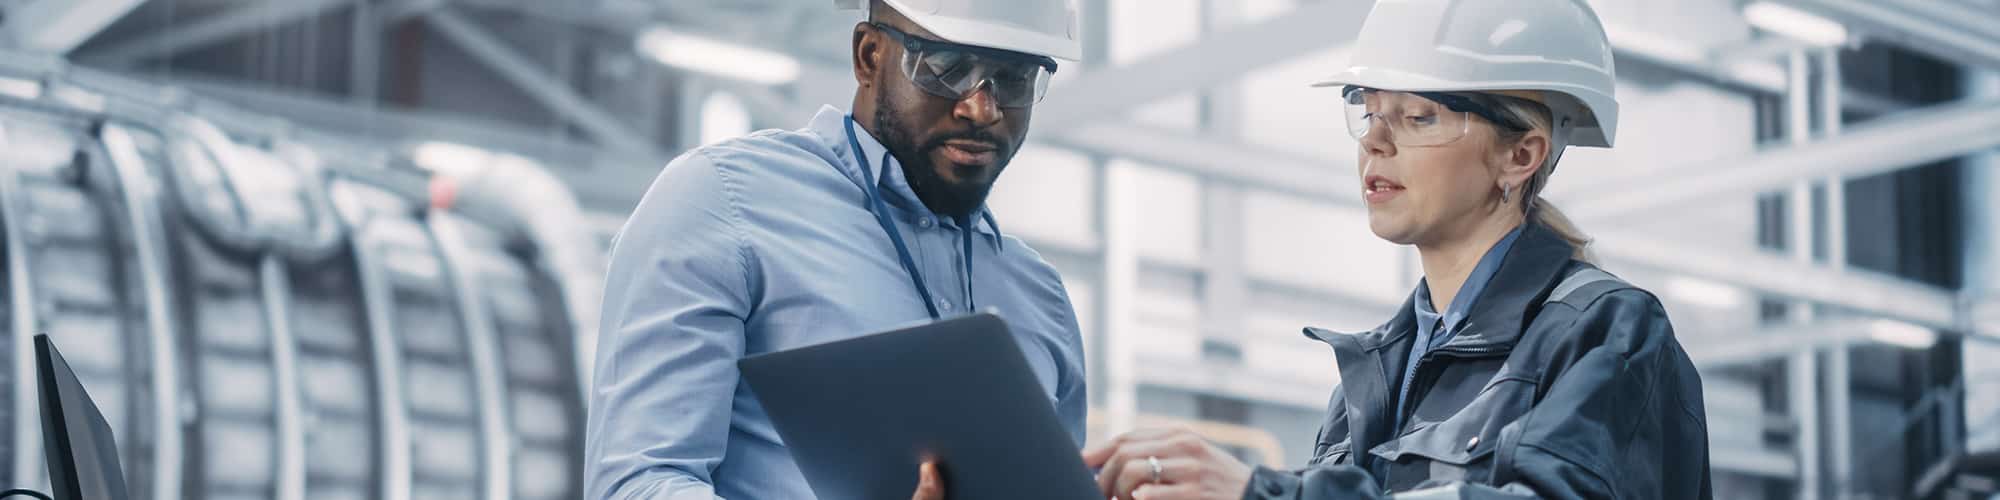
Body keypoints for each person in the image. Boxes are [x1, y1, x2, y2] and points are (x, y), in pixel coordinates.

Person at [1081, 0, 1712, 498]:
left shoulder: (1609, 332)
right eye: (1369, 111)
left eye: (1420, 117)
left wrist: (1261, 493)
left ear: (1520, 155)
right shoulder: (1381, 366)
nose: (1375, 143)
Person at [581, 0, 1088, 498]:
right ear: (869, 55)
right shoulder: (723, 202)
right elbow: (639, 483)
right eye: (948, 68)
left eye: (1015, 78)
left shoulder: (1039, 294)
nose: (981, 108)